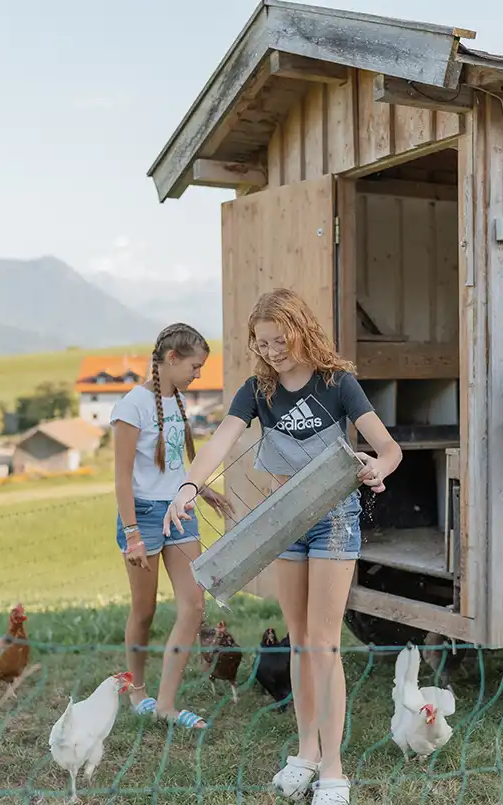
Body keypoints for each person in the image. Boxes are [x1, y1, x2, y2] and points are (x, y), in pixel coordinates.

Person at [162, 288, 401, 805]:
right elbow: (221, 442)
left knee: (322, 641)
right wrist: (187, 486)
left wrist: (377, 467)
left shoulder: (337, 385)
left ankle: (334, 771)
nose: (271, 351)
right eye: (261, 342)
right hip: (284, 520)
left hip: (335, 518)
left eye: (279, 340)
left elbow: (388, 447)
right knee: (297, 640)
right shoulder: (257, 391)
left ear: (301, 331)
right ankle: (305, 753)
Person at [110, 322, 234, 731]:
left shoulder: (178, 402)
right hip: (142, 517)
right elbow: (122, 478)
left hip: (179, 512)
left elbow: (178, 462)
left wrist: (202, 491)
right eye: (195, 367)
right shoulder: (132, 406)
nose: (198, 375)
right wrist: (131, 534)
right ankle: (137, 691)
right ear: (172, 358)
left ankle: (165, 705)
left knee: (194, 605)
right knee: (143, 611)